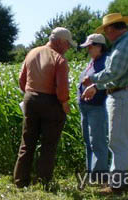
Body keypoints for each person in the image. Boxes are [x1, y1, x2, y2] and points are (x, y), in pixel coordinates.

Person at [81, 13, 128, 193]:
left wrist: (91, 79)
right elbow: (118, 77)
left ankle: (117, 185)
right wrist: (96, 86)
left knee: (118, 142)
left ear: (111, 29)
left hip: (123, 96)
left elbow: (114, 72)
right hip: (123, 94)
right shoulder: (125, 43)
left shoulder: (125, 44)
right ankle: (117, 181)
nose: (106, 35)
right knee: (118, 140)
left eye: (106, 31)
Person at [13, 27, 76, 188]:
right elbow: (62, 89)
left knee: (27, 141)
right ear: (60, 42)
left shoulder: (32, 52)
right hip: (51, 102)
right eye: (68, 44)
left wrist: (30, 93)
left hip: (30, 98)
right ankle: (43, 181)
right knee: (49, 144)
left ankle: (20, 180)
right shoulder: (59, 59)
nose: (68, 47)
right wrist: (64, 103)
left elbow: (22, 80)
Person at [77, 34, 109, 183]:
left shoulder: (105, 62)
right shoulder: (93, 61)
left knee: (97, 142)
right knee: (88, 141)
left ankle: (100, 176)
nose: (88, 49)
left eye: (90, 46)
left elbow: (108, 82)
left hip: (97, 106)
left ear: (99, 46)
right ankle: (92, 174)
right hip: (86, 107)